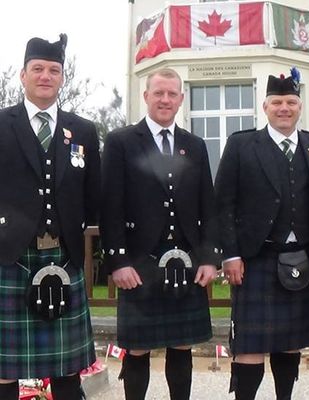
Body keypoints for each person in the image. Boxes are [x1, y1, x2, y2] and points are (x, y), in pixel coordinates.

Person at [100, 68, 220, 400]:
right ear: (146, 96)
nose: (165, 100)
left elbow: (207, 206)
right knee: (137, 348)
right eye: (159, 93)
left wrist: (210, 259)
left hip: (186, 261)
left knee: (181, 345)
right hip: (139, 264)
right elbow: (110, 207)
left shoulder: (194, 146)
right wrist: (118, 262)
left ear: (181, 98)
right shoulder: (121, 142)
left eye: (172, 94)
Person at [214, 70, 309, 400]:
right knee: (251, 345)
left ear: (300, 106)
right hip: (255, 258)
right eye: (277, 102)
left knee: (290, 342)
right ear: (265, 106)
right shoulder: (242, 144)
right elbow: (222, 203)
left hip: (301, 256)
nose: (284, 107)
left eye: (291, 101)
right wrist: (230, 254)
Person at [0, 34, 100, 399]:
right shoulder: (1, 123)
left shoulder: (83, 130)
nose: (46, 76)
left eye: (54, 70)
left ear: (62, 78)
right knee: (3, 372)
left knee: (67, 369)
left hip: (64, 256)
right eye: (38, 69)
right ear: (22, 75)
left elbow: (94, 195)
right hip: (10, 258)